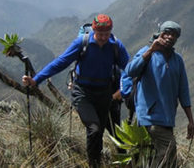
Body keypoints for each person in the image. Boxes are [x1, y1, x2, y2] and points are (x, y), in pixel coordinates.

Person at [22, 14, 130, 167]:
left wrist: (123, 90)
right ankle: (93, 164)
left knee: (97, 133)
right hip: (83, 92)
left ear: (111, 31)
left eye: (106, 34)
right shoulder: (82, 43)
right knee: (94, 128)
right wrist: (36, 79)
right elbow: (61, 62)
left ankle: (96, 162)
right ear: (93, 30)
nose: (103, 38)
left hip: (104, 93)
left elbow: (129, 69)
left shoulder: (115, 46)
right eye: (100, 34)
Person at [125, 21, 194, 168]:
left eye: (174, 35)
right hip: (150, 116)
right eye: (167, 33)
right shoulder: (147, 52)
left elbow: (183, 91)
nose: (170, 37)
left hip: (168, 118)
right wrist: (150, 50)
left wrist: (190, 120)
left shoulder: (178, 60)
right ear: (160, 33)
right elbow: (130, 71)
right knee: (169, 151)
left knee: (157, 156)